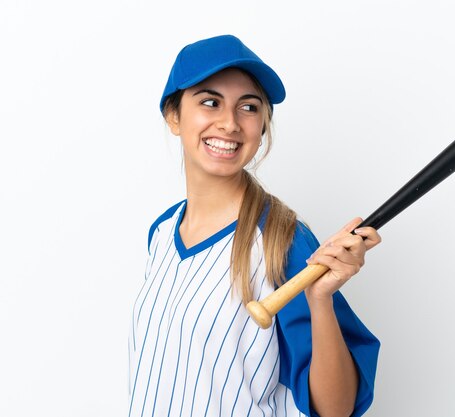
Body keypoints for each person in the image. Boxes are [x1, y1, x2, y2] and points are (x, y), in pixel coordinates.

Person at [128, 34, 381, 417]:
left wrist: (320, 300)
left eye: (248, 107)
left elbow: (335, 409)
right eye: (210, 102)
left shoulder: (284, 242)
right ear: (174, 116)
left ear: (262, 126)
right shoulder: (162, 232)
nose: (229, 123)